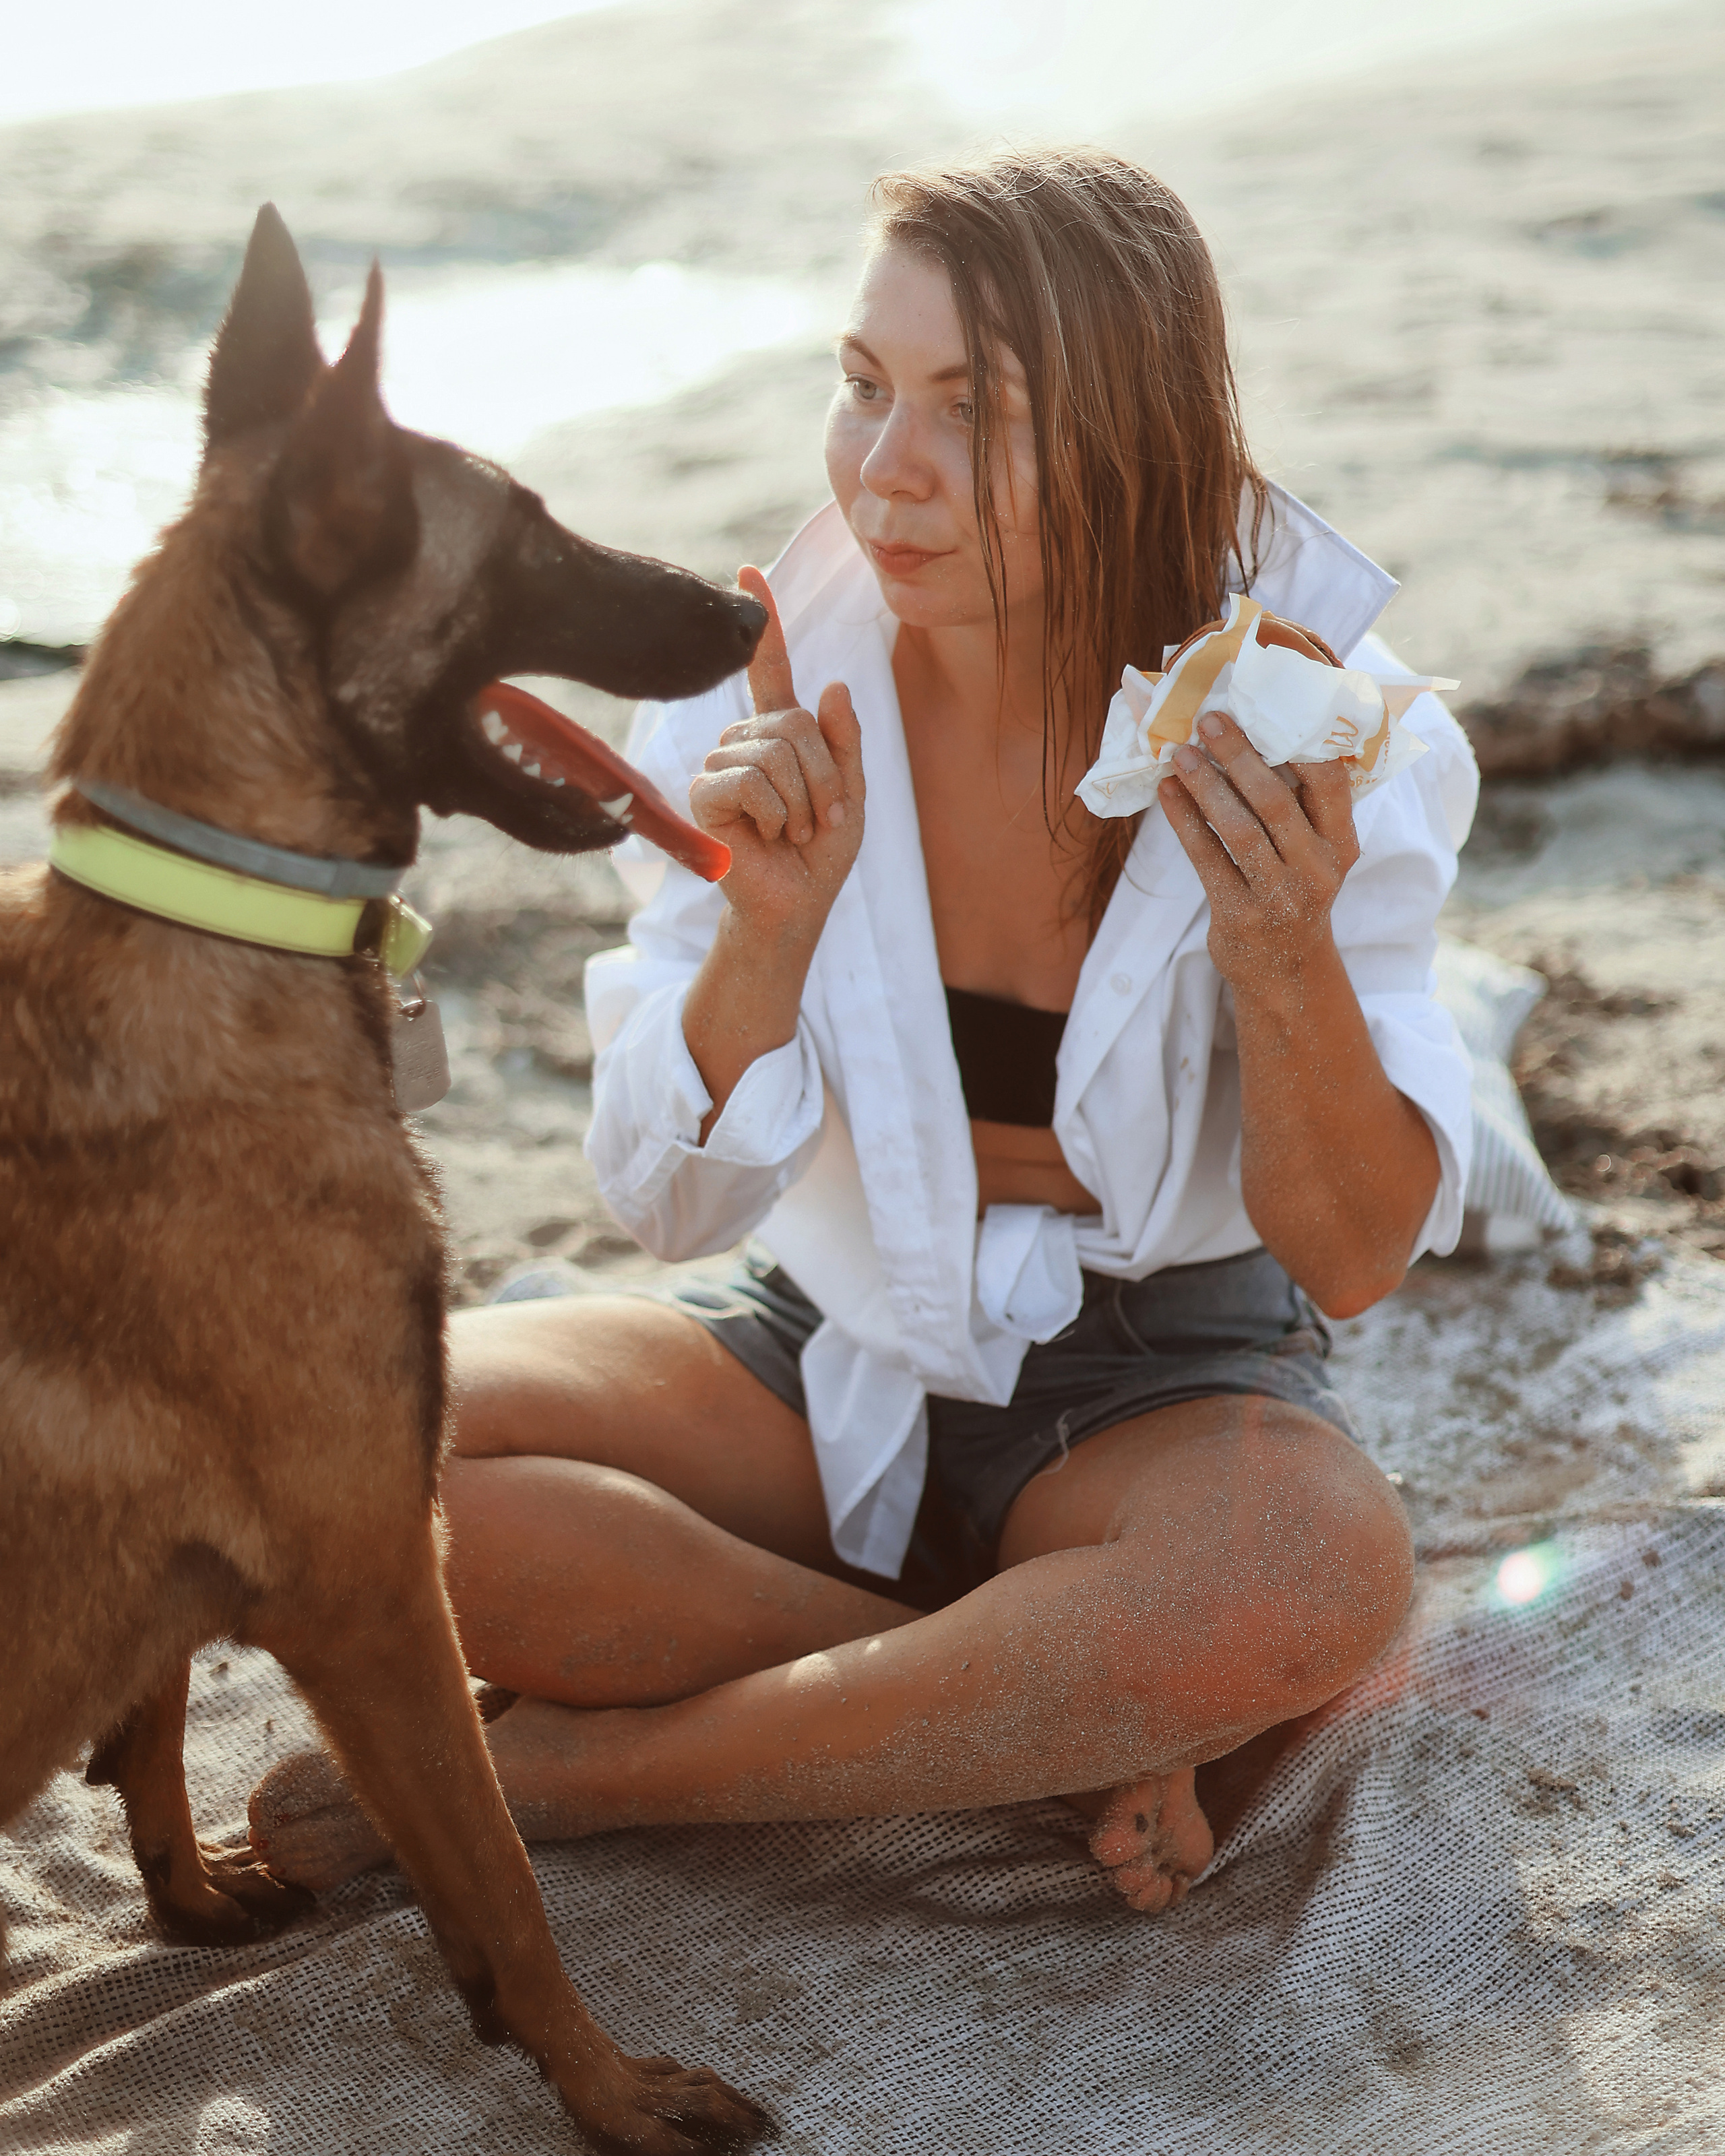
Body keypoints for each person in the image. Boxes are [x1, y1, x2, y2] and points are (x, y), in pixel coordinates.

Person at [251, 148, 1476, 1915]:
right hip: (817, 1345)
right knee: (347, 1439)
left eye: (971, 410)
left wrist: (1278, 942)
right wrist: (769, 927)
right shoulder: (752, 701)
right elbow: (660, 1209)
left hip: (1160, 1384)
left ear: (1138, 437)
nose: (886, 472)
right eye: (864, 384)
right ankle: (1016, 1704)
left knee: (1316, 1575)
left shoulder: (1332, 738)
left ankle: (596, 1776)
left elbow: (1353, 1256)